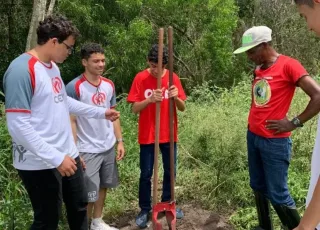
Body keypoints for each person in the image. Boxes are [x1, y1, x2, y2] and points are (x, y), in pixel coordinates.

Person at [3, 15, 119, 230]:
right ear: (54, 41)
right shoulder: (21, 70)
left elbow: (62, 102)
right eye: (69, 47)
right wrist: (56, 157)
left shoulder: (52, 67)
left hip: (68, 154)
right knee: (48, 219)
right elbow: (18, 125)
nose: (70, 52)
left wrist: (100, 113)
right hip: (39, 161)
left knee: (79, 207)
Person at [233, 25, 320, 230]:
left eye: (252, 52)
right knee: (258, 185)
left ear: (265, 45)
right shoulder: (258, 69)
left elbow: (318, 96)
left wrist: (293, 122)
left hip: (274, 142)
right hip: (253, 136)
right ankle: (265, 226)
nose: (249, 57)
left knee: (277, 192)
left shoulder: (289, 65)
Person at [127, 44, 187, 228]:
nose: (154, 70)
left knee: (171, 171)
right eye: (152, 65)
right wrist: (150, 99)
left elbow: (182, 107)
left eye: (158, 66)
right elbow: (134, 109)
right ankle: (145, 208)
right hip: (148, 134)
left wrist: (175, 97)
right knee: (146, 174)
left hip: (168, 134)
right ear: (148, 62)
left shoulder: (172, 78)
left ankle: (168, 203)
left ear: (165, 65)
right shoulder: (141, 78)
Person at [66, 43, 124, 230]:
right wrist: (75, 150)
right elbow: (71, 121)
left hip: (107, 145)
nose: (101, 64)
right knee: (88, 192)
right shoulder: (74, 87)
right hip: (87, 148)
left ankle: (97, 221)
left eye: (103, 60)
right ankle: (85, 225)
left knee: (103, 185)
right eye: (96, 61)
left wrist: (119, 141)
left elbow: (113, 114)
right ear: (84, 62)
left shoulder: (109, 85)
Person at [292, 1, 320, 230]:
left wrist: (306, 226)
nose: (308, 26)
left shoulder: (288, 66)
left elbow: (317, 95)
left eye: (304, 16)